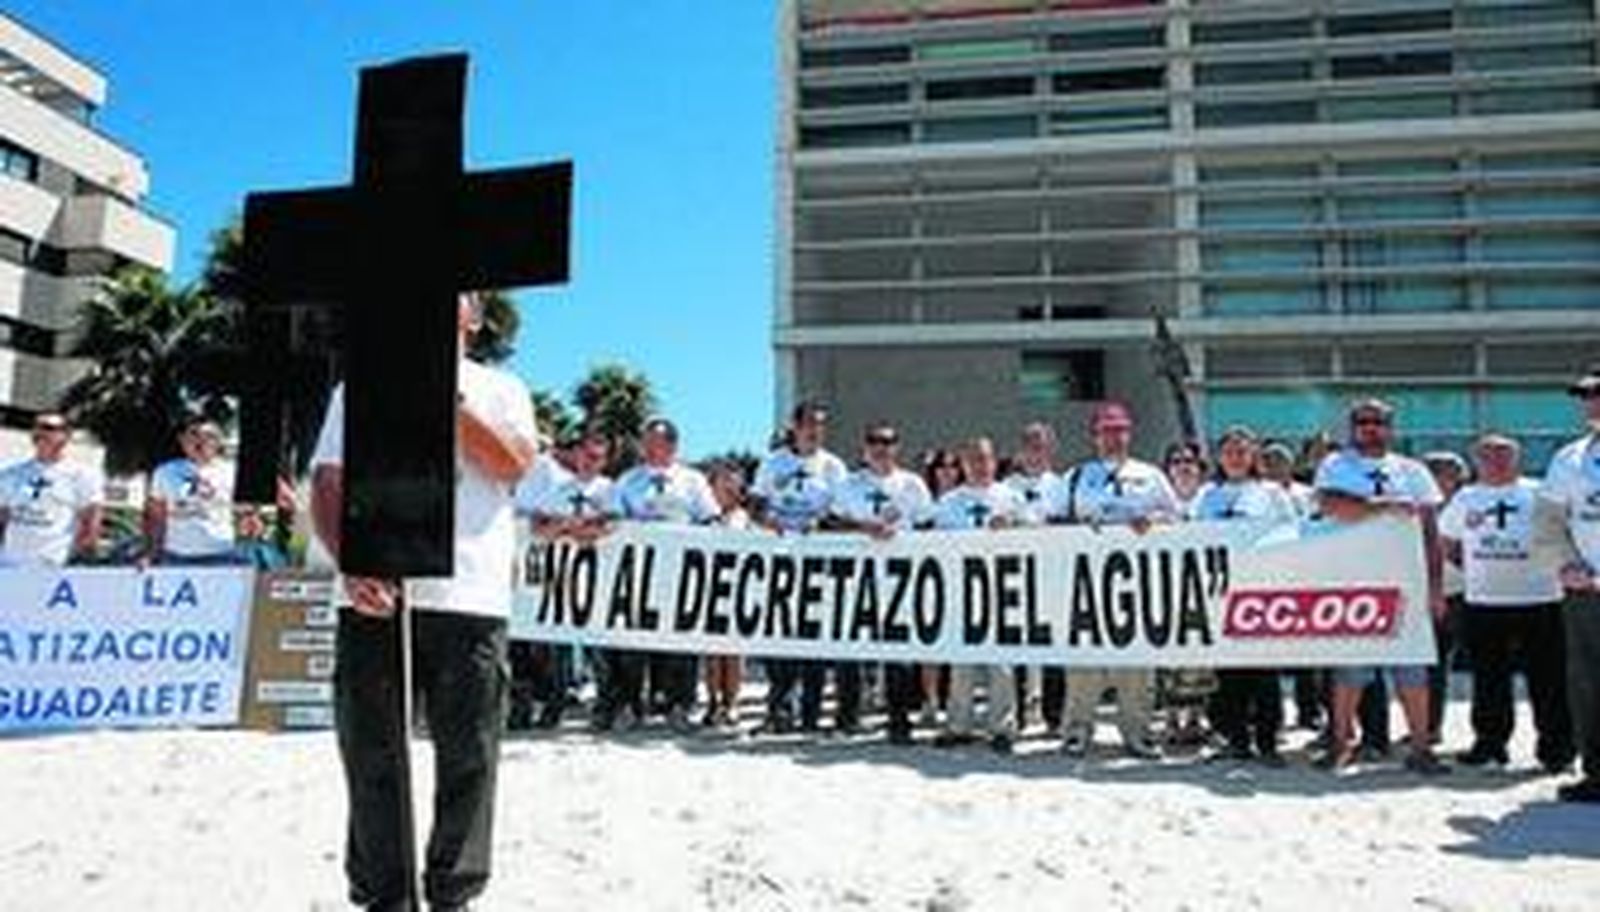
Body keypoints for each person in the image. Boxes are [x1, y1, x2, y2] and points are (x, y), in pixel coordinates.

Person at [311, 291, 538, 912]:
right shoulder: (359, 387)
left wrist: (447, 398)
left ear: (475, 315)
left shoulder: (502, 388)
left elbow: (513, 465)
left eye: (457, 292)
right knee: (371, 748)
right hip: (376, 589)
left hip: (470, 593)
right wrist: (350, 562)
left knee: (470, 751)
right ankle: (384, 894)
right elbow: (327, 480)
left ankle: (453, 891)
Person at [1314, 398, 1449, 774]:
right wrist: (1383, 506)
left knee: (1412, 671)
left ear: (1391, 427)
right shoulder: (1336, 464)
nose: (1370, 428)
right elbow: (1329, 505)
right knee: (1349, 673)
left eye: (1378, 422)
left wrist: (1435, 587)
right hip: (1352, 582)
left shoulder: (1413, 470)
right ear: (1353, 427)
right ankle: (1339, 744)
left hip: (1405, 585)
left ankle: (1421, 749)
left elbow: (1429, 532)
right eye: (1363, 421)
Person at [1440, 434, 1571, 772]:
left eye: (1503, 454)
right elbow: (1447, 540)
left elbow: (1564, 537)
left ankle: (1557, 750)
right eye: (1487, 454)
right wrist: (1469, 566)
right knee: (1488, 679)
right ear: (1475, 460)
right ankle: (1490, 744)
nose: (1495, 460)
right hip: (1484, 600)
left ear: (1518, 458)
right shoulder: (1466, 498)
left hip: (1540, 599)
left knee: (1549, 679)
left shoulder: (1540, 492)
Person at [1058, 401, 1180, 760]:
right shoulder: (1077, 476)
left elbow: (1177, 518)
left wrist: (1152, 520)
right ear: (1095, 437)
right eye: (1106, 431)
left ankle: (1138, 732)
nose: (1114, 438)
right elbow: (1050, 521)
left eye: (1120, 430)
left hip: (1137, 581)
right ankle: (1076, 730)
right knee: (1083, 660)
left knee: (1136, 660)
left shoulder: (1151, 474)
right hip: (1088, 580)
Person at [607, 417, 721, 732]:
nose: (647, 447)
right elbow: (613, 518)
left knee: (681, 643)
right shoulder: (629, 479)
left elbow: (710, 518)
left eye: (654, 441)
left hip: (681, 574)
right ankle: (630, 704)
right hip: (639, 573)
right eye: (645, 441)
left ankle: (679, 706)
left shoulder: (693, 480)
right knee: (631, 642)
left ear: (671, 445)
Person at [1192, 426, 1297, 766]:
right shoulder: (1207, 495)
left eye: (1242, 451)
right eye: (1229, 451)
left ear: (1253, 456)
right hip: (1220, 591)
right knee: (1229, 673)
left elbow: (1292, 535)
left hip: (1262, 590)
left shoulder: (1271, 493)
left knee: (1264, 672)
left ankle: (1268, 742)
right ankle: (1236, 739)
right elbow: (1189, 536)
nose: (1236, 457)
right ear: (1219, 457)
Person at [830, 421, 933, 742]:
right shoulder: (849, 484)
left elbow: (929, 526)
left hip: (900, 580)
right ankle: (847, 716)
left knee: (898, 653)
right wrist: (864, 528)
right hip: (857, 578)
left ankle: (898, 720)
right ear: (865, 448)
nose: (881, 448)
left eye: (888, 442)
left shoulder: (912, 484)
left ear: (896, 447)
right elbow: (830, 521)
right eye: (874, 442)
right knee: (850, 650)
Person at [750, 400, 848, 733]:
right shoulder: (773, 463)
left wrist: (820, 523)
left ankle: (810, 714)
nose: (815, 430)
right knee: (779, 639)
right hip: (779, 562)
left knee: (815, 642)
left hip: (819, 564)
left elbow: (841, 513)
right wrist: (769, 522)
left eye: (821, 424)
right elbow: (756, 504)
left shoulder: (833, 466)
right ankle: (778, 710)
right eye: (809, 423)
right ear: (795, 425)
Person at [932, 437, 1024, 754]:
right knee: (961, 660)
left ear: (994, 461)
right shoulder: (948, 502)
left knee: (1002, 662)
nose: (980, 465)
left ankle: (1003, 726)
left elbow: (1036, 535)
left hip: (1001, 586)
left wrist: (1012, 526)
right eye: (973, 459)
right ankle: (958, 724)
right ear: (963, 464)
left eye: (985, 458)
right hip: (962, 588)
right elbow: (936, 542)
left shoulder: (1010, 497)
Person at [1534, 364, 1600, 802]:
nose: (1591, 403)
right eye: (1588, 396)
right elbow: (1549, 522)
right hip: (1586, 592)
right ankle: (1597, 772)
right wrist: (1564, 564)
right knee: (1587, 682)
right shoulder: (1571, 458)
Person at [519, 430, 614, 730]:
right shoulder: (558, 487)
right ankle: (554, 704)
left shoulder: (610, 489)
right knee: (557, 647)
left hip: (598, 576)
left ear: (604, 461)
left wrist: (580, 529)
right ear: (576, 455)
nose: (589, 462)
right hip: (560, 576)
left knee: (598, 645)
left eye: (597, 457)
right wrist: (566, 526)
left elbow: (615, 524)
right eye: (586, 455)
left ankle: (605, 705)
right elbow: (537, 525)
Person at [1004, 422, 1065, 734]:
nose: (1034, 451)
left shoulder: (1062, 485)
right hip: (1015, 574)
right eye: (1029, 444)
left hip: (1052, 574)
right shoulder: (1006, 487)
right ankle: (1018, 711)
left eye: (1040, 445)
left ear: (1051, 449)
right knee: (1016, 646)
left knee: (1054, 645)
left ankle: (1054, 714)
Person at [0, 412, 103, 567]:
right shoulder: (11, 473)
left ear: (65, 436)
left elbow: (91, 523)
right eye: (36, 427)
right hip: (9, 565)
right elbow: (3, 516)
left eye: (48, 428)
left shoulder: (82, 475)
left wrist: (77, 558)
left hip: (52, 566)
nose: (40, 432)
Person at [1422, 449, 1471, 743]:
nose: (1442, 479)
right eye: (1436, 473)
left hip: (1462, 593)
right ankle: (1429, 726)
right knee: (1432, 664)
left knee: (1480, 664)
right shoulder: (1418, 508)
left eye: (1448, 474)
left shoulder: (1470, 505)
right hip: (1426, 593)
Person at [146, 418, 241, 565]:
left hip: (221, 554)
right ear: (182, 440)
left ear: (218, 441)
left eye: (209, 436)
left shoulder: (232, 472)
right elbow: (157, 517)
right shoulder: (165, 472)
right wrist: (153, 553)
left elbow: (249, 510)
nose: (200, 442)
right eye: (194, 435)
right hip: (176, 556)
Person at [917, 449, 964, 729]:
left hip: (960, 579)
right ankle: (929, 701)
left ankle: (954, 702)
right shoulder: (924, 501)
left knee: (956, 645)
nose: (947, 471)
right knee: (930, 646)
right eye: (941, 467)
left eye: (952, 466)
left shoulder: (962, 500)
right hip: (930, 580)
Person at [702, 460, 751, 728]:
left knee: (733, 652)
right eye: (724, 483)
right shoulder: (703, 517)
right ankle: (712, 702)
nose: (730, 489)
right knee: (711, 653)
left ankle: (731, 703)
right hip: (709, 589)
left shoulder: (747, 519)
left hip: (737, 590)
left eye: (735, 484)